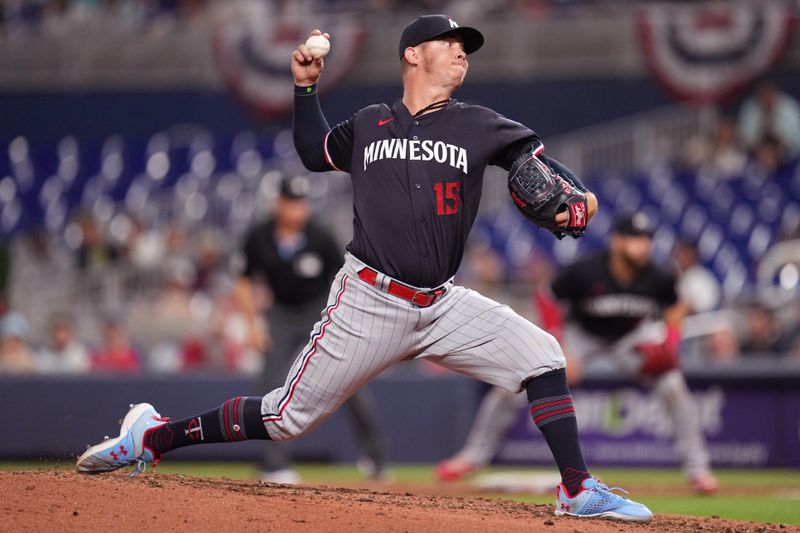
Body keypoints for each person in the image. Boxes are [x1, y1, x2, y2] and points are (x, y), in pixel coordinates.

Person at [76, 15, 652, 522]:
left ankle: (577, 490)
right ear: (412, 54)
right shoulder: (370, 123)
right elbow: (312, 152)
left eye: (465, 46)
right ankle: (151, 436)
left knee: (543, 356)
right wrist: (305, 89)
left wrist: (581, 198)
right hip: (369, 300)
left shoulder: (479, 124)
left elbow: (538, 166)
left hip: (443, 304)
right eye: (448, 42)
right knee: (284, 418)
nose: (461, 51)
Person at [437, 213, 719, 494]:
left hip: (631, 339)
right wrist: (562, 349)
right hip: (581, 335)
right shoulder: (586, 270)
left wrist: (670, 342)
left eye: (647, 240)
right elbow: (547, 298)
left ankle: (699, 471)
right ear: (616, 242)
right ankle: (473, 455)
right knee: (515, 384)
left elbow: (675, 306)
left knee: (674, 387)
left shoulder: (657, 275)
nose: (643, 245)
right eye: (635, 238)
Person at [236, 174, 387, 483]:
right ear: (277, 203)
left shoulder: (320, 236)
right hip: (279, 316)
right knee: (270, 385)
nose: (297, 209)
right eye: (291, 202)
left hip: (318, 313)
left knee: (350, 384)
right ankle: (274, 464)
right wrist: (252, 325)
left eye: (301, 202)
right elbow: (243, 281)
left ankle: (375, 458)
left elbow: (345, 278)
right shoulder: (259, 236)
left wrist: (342, 320)